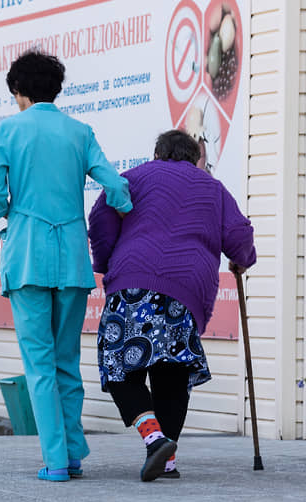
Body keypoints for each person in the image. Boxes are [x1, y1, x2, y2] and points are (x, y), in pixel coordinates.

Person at [0, 50, 133, 482]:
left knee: (39, 364)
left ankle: (56, 461)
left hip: (27, 254)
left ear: (18, 91)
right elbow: (114, 183)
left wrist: (4, 210)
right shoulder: (80, 132)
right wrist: (123, 205)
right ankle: (73, 452)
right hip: (71, 258)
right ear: (56, 89)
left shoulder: (8, 130)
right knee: (67, 359)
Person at [87, 129, 256, 481]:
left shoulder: (133, 179)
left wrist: (105, 260)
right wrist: (242, 259)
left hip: (133, 280)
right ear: (196, 159)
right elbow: (239, 234)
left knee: (120, 366)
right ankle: (166, 461)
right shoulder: (213, 188)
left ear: (157, 153)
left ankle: (155, 440)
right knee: (172, 371)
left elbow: (101, 219)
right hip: (186, 286)